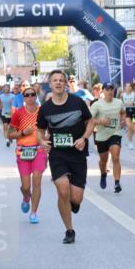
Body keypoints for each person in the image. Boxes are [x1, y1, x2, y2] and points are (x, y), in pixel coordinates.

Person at [37, 69, 94, 244]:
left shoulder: (77, 102)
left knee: (75, 198)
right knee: (63, 191)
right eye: (55, 80)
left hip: (77, 154)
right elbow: (40, 130)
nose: (59, 83)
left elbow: (90, 122)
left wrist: (84, 138)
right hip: (57, 154)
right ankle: (69, 230)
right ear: (51, 84)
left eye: (61, 80)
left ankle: (72, 203)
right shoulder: (45, 108)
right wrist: (42, 141)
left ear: (65, 84)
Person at [7, 85, 46, 224]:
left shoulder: (42, 112)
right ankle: (26, 197)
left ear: (36, 96)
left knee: (37, 179)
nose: (30, 97)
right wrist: (23, 133)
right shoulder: (18, 113)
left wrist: (47, 139)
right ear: (23, 98)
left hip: (39, 150)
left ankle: (34, 213)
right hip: (23, 151)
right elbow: (9, 135)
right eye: (27, 95)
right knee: (25, 186)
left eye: (32, 94)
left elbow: (49, 128)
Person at [91, 83, 126, 192]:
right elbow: (88, 119)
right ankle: (103, 174)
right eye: (107, 89)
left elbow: (123, 112)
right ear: (103, 92)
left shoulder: (119, 102)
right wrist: (101, 121)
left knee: (115, 156)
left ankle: (117, 183)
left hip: (115, 133)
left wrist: (122, 120)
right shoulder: (97, 105)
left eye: (111, 89)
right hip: (101, 136)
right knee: (103, 160)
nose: (110, 92)